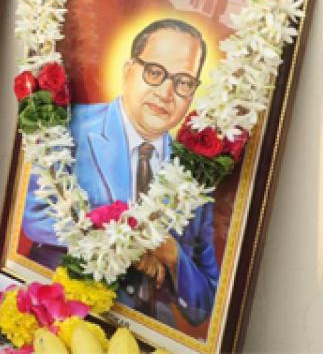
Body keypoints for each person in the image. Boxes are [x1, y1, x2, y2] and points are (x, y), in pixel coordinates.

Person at [21, 19, 220, 327]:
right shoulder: (71, 128)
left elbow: (204, 305)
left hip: (145, 335)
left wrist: (171, 253)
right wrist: (133, 247)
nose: (167, 93)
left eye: (183, 82)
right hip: (61, 313)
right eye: (154, 72)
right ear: (128, 71)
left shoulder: (193, 175)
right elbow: (34, 217)